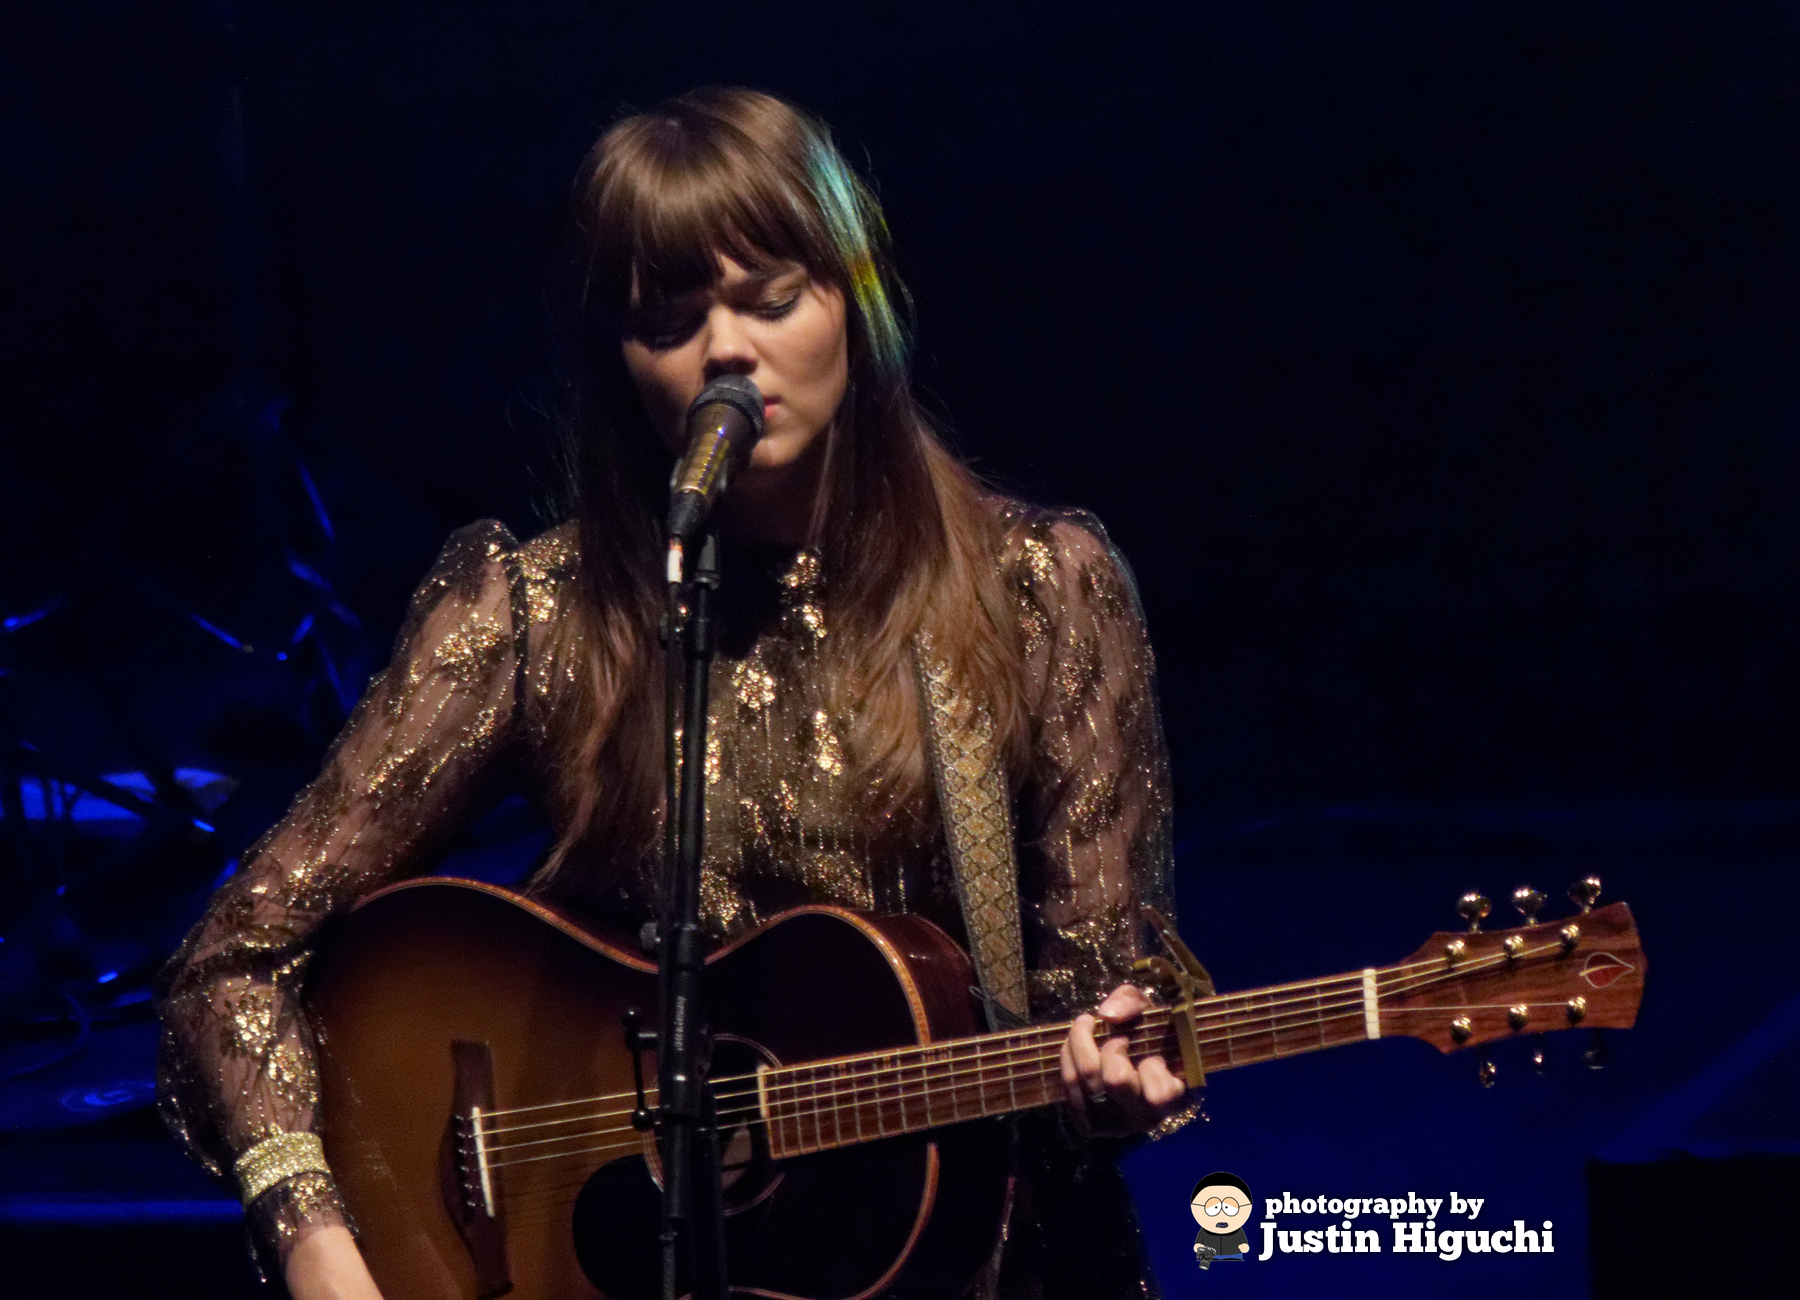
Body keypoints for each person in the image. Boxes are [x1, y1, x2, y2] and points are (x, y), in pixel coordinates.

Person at [157, 86, 1191, 1300]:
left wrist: (1113, 1077)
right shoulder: (536, 612)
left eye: (772, 298)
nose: (730, 352)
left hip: (967, 1263)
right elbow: (230, 963)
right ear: (623, 363)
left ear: (857, 307)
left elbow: (1095, 1009)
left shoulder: (1038, 590)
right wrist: (319, 1245)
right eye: (670, 319)